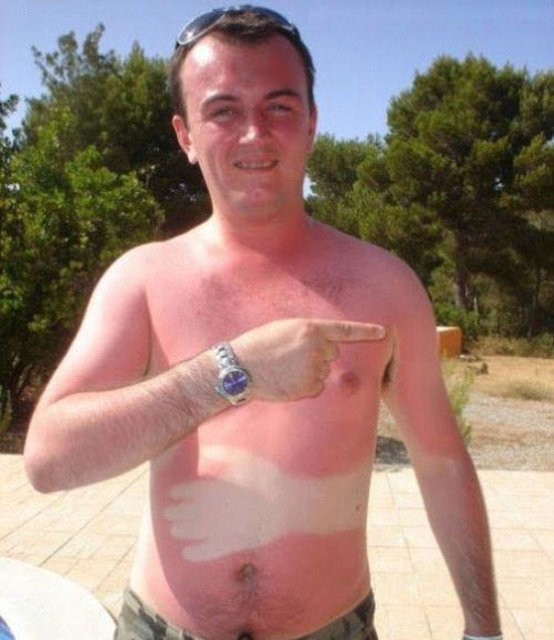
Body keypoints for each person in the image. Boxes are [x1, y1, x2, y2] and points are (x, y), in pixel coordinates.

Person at [24, 6, 502, 640]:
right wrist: (232, 372)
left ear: (311, 123)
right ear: (185, 135)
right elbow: (49, 460)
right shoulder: (143, 279)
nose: (254, 134)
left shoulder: (386, 287)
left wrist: (483, 627)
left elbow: (442, 463)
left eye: (279, 107)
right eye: (223, 111)